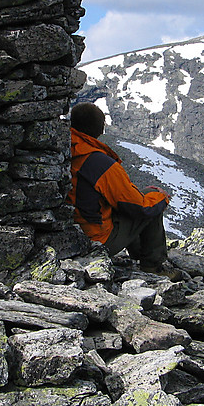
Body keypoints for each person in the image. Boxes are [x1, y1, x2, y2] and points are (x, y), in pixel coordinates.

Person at [67, 102, 177, 278]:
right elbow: (139, 207)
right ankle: (153, 266)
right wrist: (162, 198)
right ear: (100, 129)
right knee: (150, 199)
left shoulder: (66, 150)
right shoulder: (100, 163)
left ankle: (138, 254)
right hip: (96, 238)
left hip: (71, 232)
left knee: (135, 200)